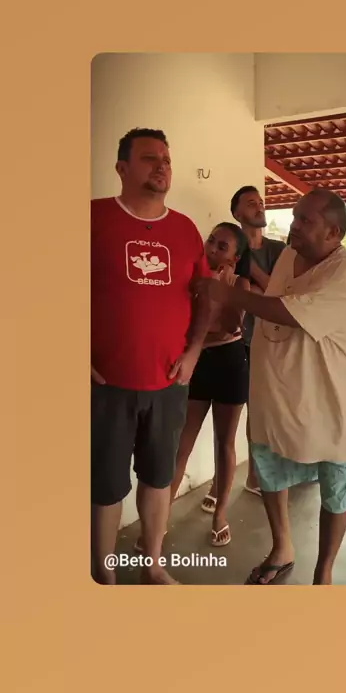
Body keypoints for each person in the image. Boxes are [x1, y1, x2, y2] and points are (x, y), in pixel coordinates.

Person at [201, 188, 346, 585]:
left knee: (336, 482)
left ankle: (323, 570)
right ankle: (282, 548)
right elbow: (272, 295)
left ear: (333, 233)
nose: (294, 225)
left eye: (305, 220)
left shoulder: (344, 272)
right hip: (276, 389)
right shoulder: (290, 254)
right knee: (270, 468)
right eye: (294, 217)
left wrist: (225, 292)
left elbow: (287, 311)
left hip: (329, 397)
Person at [91, 127, 211, 585]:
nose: (162, 165)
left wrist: (195, 350)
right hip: (107, 386)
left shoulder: (185, 229)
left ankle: (152, 564)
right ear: (122, 168)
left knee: (159, 479)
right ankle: (104, 577)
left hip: (168, 383)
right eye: (149, 158)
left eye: (166, 159)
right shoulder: (92, 218)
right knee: (105, 487)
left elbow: (204, 297)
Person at [135, 222, 251, 550]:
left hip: (229, 363)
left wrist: (220, 290)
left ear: (235, 257)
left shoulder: (239, 283)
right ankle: (160, 521)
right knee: (180, 445)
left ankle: (220, 515)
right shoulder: (190, 276)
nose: (212, 248)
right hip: (196, 363)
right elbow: (183, 324)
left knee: (224, 443)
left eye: (222, 246)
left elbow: (232, 326)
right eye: (211, 240)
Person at [200, 186, 285, 513]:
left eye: (261, 202)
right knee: (225, 424)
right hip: (233, 343)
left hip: (268, 341)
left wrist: (247, 265)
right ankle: (218, 483)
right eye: (251, 203)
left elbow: (280, 293)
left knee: (259, 413)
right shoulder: (224, 249)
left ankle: (253, 476)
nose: (260, 207)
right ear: (237, 213)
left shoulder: (278, 250)